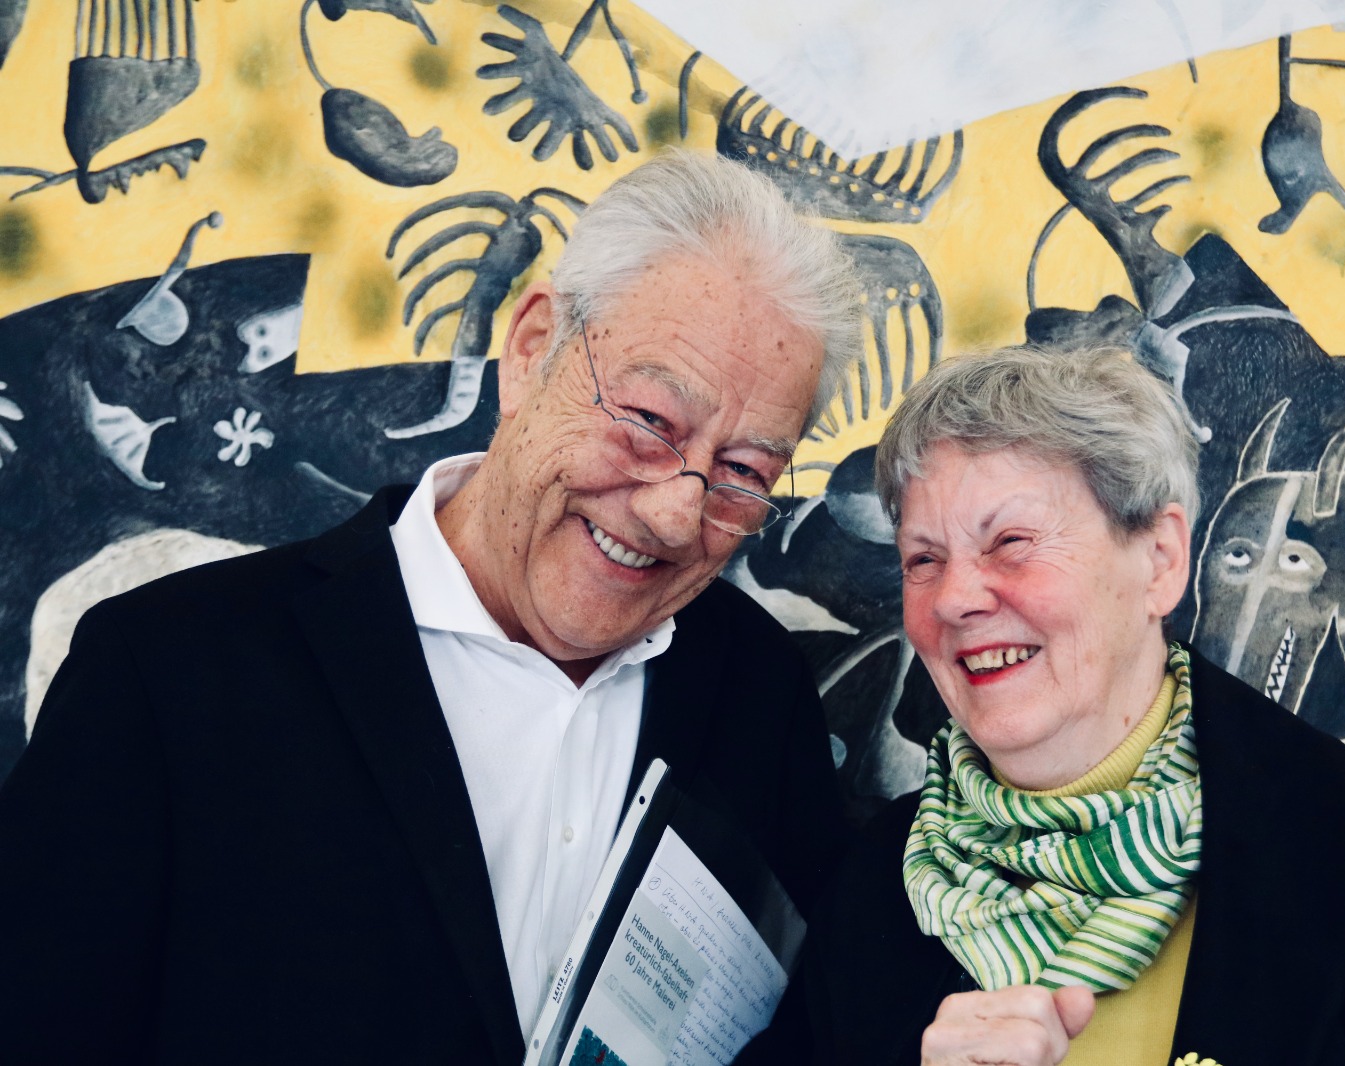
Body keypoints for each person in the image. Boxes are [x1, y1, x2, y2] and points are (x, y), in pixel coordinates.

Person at [0, 151, 860, 1064]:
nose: (677, 514)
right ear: (532, 350)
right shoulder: (168, 670)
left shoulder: (762, 694)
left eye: (744, 472)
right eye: (650, 421)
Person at [795, 346, 1345, 1065]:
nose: (955, 598)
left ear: (1161, 560)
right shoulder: (877, 888)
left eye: (1011, 542)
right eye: (923, 559)